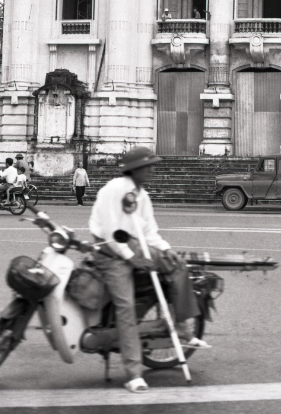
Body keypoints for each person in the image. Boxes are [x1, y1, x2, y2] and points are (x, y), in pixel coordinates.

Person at [88, 146, 210, 394]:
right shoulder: (114, 189)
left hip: (135, 245)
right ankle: (133, 373)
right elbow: (111, 234)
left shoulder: (142, 196)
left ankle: (180, 325)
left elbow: (149, 233)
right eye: (148, 165)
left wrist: (166, 250)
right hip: (109, 252)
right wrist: (132, 258)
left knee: (177, 264)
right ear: (135, 169)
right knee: (126, 307)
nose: (153, 169)